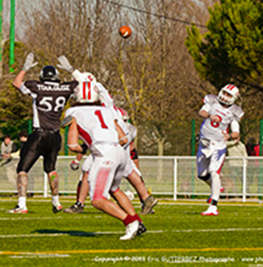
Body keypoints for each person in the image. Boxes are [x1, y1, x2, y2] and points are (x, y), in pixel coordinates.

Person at [58, 55, 157, 215]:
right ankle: (144, 201)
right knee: (126, 172)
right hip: (117, 135)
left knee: (92, 172)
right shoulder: (103, 101)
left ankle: (81, 204)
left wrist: (72, 71)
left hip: (109, 138)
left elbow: (73, 141)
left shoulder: (85, 106)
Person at [64, 78, 145, 240]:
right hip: (121, 153)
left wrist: (86, 147)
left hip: (104, 154)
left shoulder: (72, 112)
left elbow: (72, 145)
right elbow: (124, 139)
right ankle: (137, 220)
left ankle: (130, 222)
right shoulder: (107, 110)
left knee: (97, 199)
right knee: (114, 189)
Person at [8, 53, 78, 214]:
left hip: (39, 134)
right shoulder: (66, 88)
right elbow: (84, 86)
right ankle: (56, 202)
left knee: (22, 170)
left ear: (42, 76)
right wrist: (71, 69)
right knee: (51, 169)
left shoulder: (36, 86)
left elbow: (16, 83)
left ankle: (22, 205)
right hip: (55, 135)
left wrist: (25, 68)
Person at [197, 84, 244, 216]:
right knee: (202, 174)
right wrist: (210, 116)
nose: (225, 96)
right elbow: (202, 112)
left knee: (214, 171)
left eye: (229, 95)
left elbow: (236, 133)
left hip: (218, 144)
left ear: (234, 98)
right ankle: (217, 188)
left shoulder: (235, 111)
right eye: (224, 92)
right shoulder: (212, 101)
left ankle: (213, 206)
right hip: (204, 142)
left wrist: (229, 136)